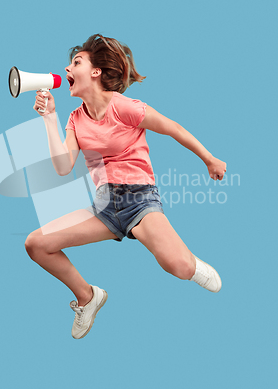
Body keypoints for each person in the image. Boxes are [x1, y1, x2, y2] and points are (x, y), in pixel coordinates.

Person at [25, 34, 226, 339]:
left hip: (140, 202)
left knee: (179, 268)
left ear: (95, 72)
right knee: (36, 244)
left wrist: (209, 159)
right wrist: (49, 118)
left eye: (76, 62)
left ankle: (191, 262)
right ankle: (88, 297)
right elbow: (63, 167)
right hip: (104, 207)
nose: (67, 68)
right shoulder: (75, 119)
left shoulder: (124, 107)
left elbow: (174, 129)